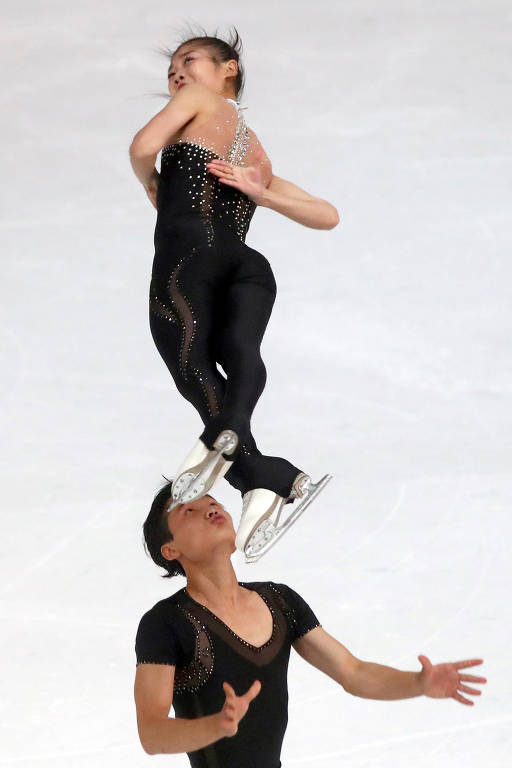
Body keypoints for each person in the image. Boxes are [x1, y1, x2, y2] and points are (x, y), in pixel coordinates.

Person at [129, 28, 338, 561]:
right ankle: (261, 482)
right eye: (171, 68)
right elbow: (326, 215)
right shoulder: (255, 152)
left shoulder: (195, 103)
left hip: (189, 257)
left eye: (189, 60)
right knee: (238, 352)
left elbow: (142, 146)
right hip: (247, 266)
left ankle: (258, 465)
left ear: (230, 70)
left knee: (186, 358)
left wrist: (150, 180)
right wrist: (261, 192)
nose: (177, 73)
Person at [134, 483, 487, 766]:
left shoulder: (280, 601)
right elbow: (152, 734)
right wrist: (216, 725)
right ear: (170, 550)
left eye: (212, 500)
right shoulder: (165, 623)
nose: (210, 508)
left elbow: (352, 671)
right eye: (188, 510)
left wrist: (417, 683)